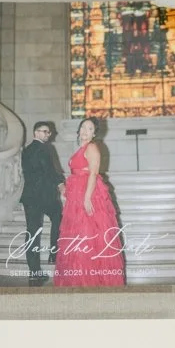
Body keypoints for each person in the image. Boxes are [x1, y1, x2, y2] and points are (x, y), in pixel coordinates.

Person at [53, 117, 126, 287]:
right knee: (78, 238)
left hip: (89, 194)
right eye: (83, 127)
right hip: (77, 197)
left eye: (90, 128)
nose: (86, 131)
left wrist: (86, 198)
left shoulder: (92, 147)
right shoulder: (81, 148)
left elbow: (93, 174)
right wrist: (67, 191)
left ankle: (93, 281)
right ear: (78, 130)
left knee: (89, 236)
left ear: (94, 134)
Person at [18, 121, 65, 283]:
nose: (47, 135)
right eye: (44, 132)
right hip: (44, 196)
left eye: (48, 132)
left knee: (32, 233)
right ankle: (54, 253)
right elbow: (50, 170)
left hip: (30, 197)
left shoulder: (26, 150)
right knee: (59, 216)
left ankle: (34, 271)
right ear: (35, 133)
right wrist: (60, 184)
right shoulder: (45, 148)